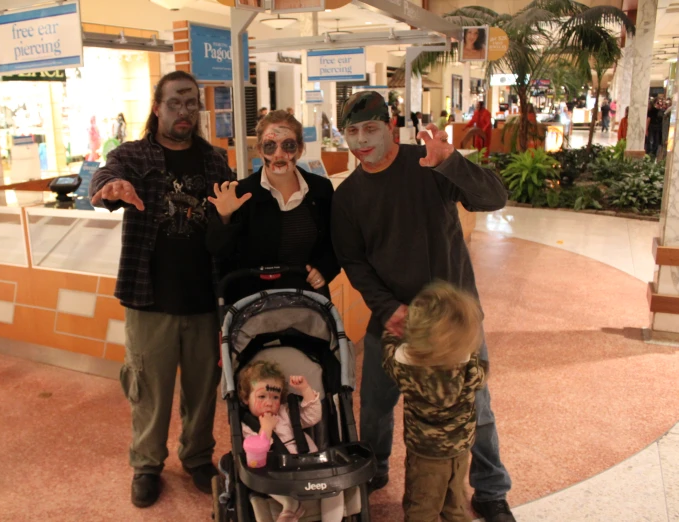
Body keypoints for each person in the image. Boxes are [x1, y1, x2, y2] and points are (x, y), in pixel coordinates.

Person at [330, 91, 515, 522]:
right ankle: (373, 471)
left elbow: (494, 198)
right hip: (391, 318)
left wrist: (453, 161)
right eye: (352, 132)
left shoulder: (428, 163)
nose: (361, 140)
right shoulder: (349, 195)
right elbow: (353, 261)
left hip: (453, 321)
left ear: (390, 126)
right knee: (376, 405)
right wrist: (386, 308)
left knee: (476, 405)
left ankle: (490, 488)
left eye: (371, 128)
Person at [89, 70, 233, 508]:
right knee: (148, 388)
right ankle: (147, 463)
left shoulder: (213, 160)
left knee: (202, 387)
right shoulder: (133, 155)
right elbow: (105, 176)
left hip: (204, 299)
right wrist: (108, 188)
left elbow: (230, 217)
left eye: (192, 103)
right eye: (175, 103)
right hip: (149, 297)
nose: (185, 111)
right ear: (157, 108)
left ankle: (197, 456)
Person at [206, 110, 339, 302]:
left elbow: (334, 244)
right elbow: (218, 252)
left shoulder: (320, 189)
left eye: (288, 145)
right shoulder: (241, 193)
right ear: (260, 150)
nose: (279, 154)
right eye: (270, 146)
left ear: (300, 149)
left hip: (308, 304)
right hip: (253, 308)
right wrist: (224, 217)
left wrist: (324, 269)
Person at [382, 281, 486, 522]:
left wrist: (392, 333)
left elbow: (389, 353)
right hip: (460, 447)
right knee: (455, 500)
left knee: (422, 505)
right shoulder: (465, 362)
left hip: (425, 451)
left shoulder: (405, 364)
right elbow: (481, 375)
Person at [239, 361, 345, 522]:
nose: (269, 402)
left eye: (275, 397)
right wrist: (266, 429)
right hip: (277, 474)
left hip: (310, 464)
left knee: (336, 488)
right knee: (263, 480)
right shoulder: (248, 425)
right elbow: (256, 456)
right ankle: (290, 506)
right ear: (246, 398)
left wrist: (305, 390)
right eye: (261, 396)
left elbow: (313, 416)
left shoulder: (286, 412)